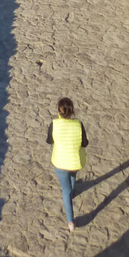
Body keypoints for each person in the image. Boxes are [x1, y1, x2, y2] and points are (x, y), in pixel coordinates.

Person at [47, 97, 89, 232]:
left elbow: (49, 140)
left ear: (59, 111)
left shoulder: (54, 124)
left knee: (65, 190)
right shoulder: (78, 124)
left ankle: (70, 221)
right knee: (72, 175)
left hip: (60, 162)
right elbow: (85, 143)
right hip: (75, 161)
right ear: (72, 111)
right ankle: (72, 191)